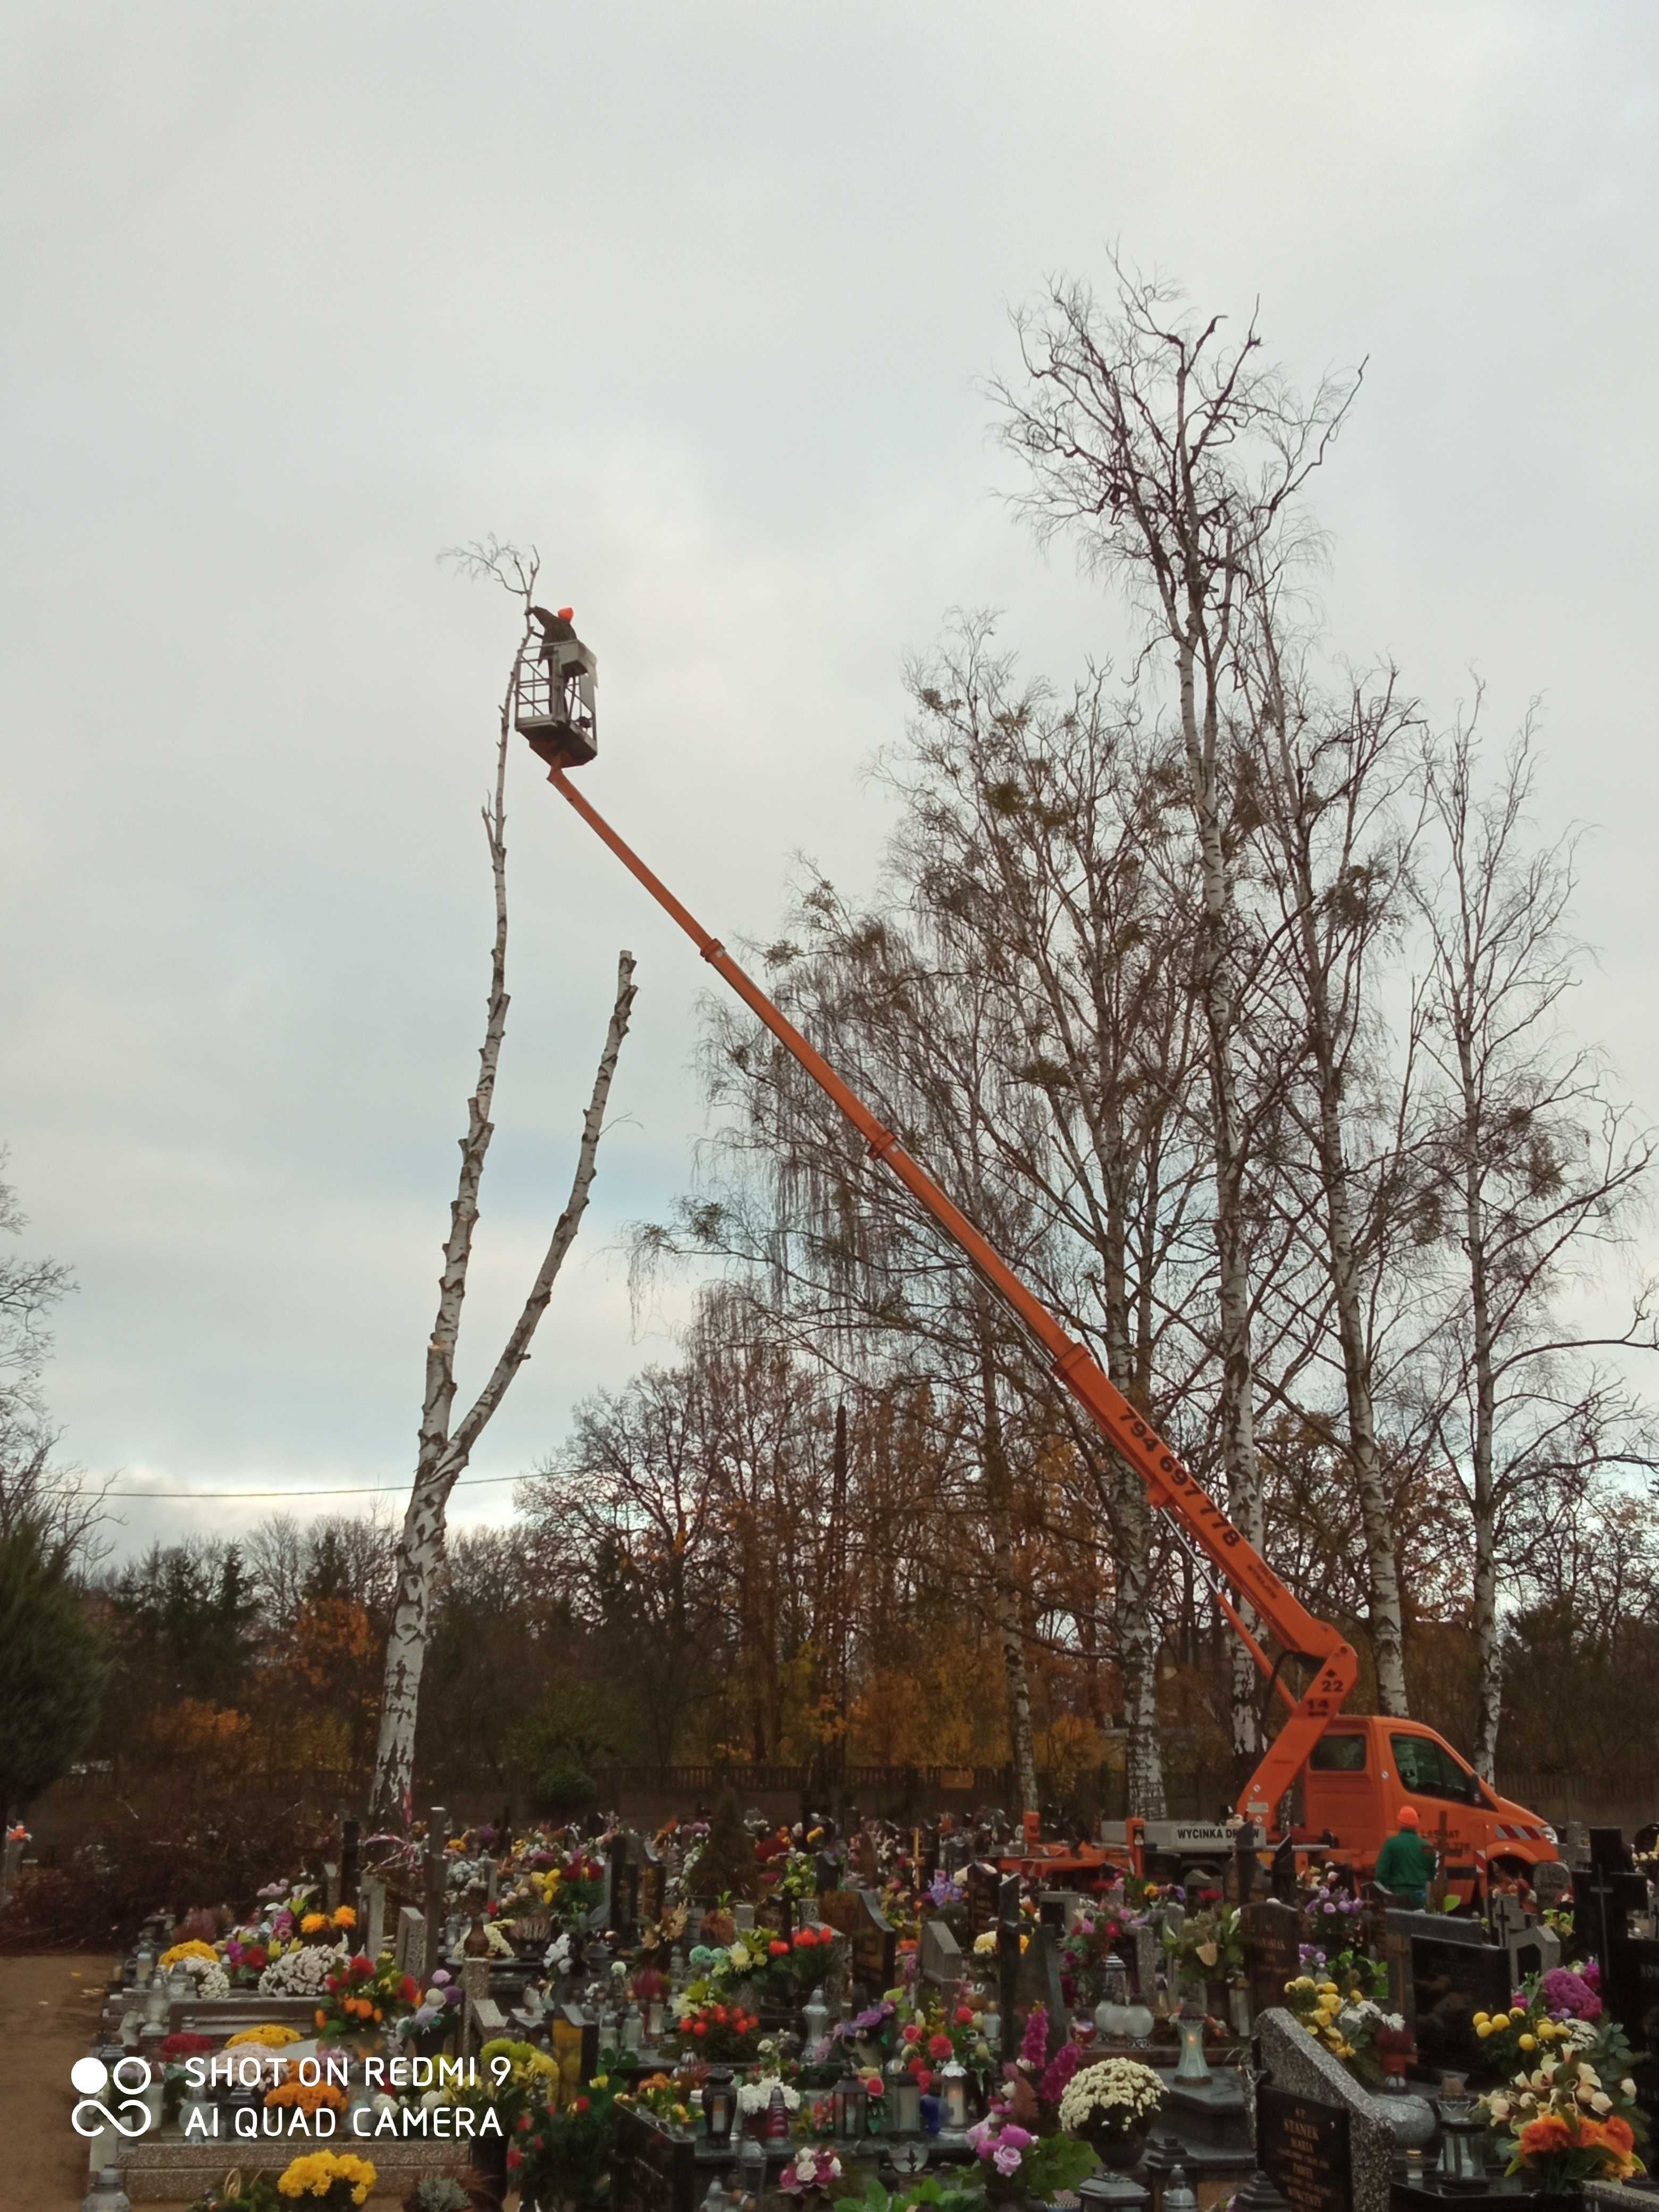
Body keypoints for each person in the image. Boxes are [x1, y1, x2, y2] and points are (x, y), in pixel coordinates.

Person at [1373, 1805, 1437, 1907]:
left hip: (1398, 1894)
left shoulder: (1391, 1844)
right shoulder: (1428, 1847)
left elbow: (1381, 1874)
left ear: (1400, 1823)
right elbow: (1436, 1874)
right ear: (1416, 1824)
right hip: (1422, 1895)